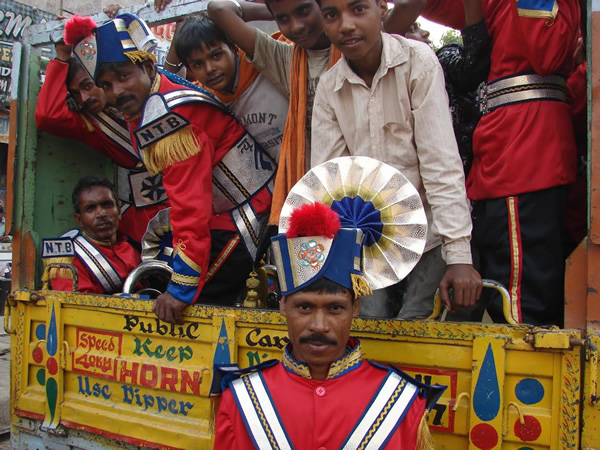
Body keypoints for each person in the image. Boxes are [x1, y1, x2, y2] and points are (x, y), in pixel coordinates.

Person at [65, 13, 275, 323]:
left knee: (198, 310)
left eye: (123, 76)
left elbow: (190, 208)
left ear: (148, 68)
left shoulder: (166, 120)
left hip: (247, 209)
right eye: (106, 85)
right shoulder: (156, 88)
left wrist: (180, 291)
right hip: (229, 206)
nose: (116, 91)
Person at [213, 181, 445, 448]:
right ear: (283, 306)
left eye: (335, 308)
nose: (319, 325)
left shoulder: (403, 403)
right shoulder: (241, 400)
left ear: (355, 308)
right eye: (304, 307)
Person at [310, 0, 481, 318]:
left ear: (382, 9)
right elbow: (330, 182)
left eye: (358, 9)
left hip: (431, 230)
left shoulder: (418, 61)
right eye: (332, 15)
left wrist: (458, 253)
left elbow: (440, 161)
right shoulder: (329, 88)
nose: (345, 24)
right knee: (365, 325)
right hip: (368, 239)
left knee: (417, 321)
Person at [422, 0, 581, 326]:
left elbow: (546, 52)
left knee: (524, 306)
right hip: (509, 146)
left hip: (526, 149)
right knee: (510, 289)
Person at [199, 0, 425, 224]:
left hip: (387, 190)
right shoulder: (284, 59)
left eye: (304, 10)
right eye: (284, 19)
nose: (296, 26)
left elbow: (409, 5)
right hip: (329, 198)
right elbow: (219, 9)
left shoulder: (361, 45)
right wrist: (274, 9)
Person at [35, 42, 168, 246]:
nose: (84, 98)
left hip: (183, 201)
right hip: (139, 220)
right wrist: (62, 56)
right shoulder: (91, 122)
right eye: (76, 94)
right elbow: (47, 116)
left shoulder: (146, 94)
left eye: (88, 85)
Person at [168, 14, 288, 162]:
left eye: (216, 56)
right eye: (198, 64)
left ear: (234, 48)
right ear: (190, 69)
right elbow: (166, 88)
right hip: (284, 179)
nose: (210, 69)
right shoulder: (205, 99)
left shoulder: (264, 60)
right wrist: (179, 22)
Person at [43, 176, 140, 294]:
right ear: (79, 219)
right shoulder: (67, 258)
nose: (101, 213)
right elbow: (78, 306)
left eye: (107, 205)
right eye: (90, 208)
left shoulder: (136, 249)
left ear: (119, 211)